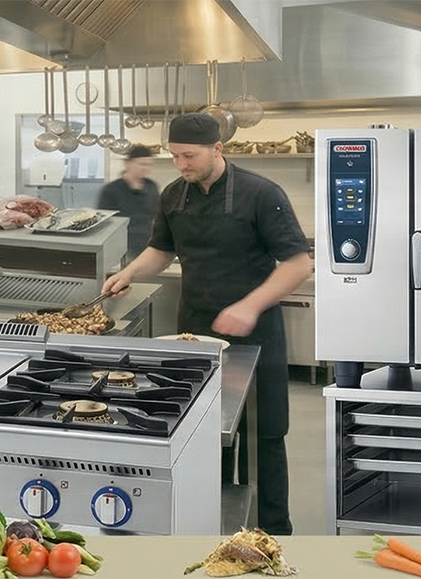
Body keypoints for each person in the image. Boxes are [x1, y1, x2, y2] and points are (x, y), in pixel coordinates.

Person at [100, 113, 314, 535]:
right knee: (202, 436)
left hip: (255, 336)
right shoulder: (173, 195)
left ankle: (272, 533)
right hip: (195, 335)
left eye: (189, 156)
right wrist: (129, 273)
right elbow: (161, 251)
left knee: (264, 438)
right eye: (175, 156)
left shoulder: (260, 193)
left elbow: (297, 264)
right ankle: (210, 530)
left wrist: (249, 306)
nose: (181, 164)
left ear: (218, 149)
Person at [96, 144, 161, 263]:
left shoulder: (151, 187)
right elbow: (103, 224)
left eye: (148, 164)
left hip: (147, 248)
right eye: (141, 164)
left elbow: (157, 217)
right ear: (128, 163)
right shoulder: (111, 190)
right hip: (120, 251)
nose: (145, 168)